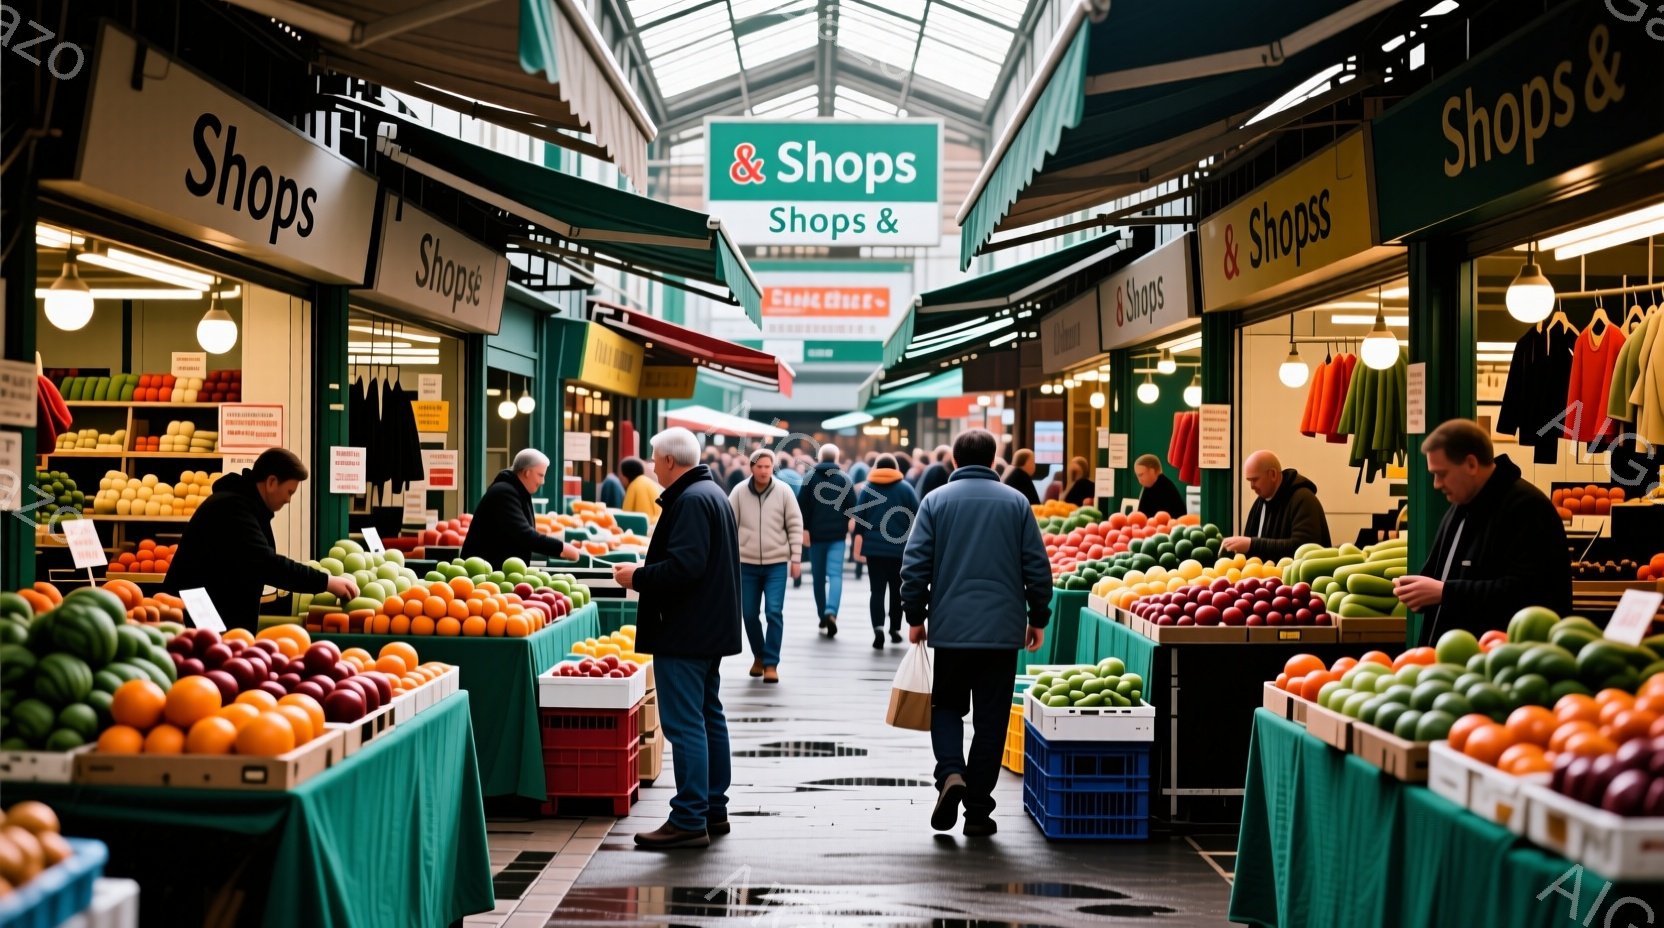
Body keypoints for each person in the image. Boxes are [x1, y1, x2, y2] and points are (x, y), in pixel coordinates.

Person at [903, 429, 1050, 838]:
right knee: (991, 721)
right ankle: (979, 811)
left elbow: (913, 566)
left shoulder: (935, 502)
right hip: (1002, 632)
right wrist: (1038, 616)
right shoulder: (1017, 503)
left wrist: (915, 615)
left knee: (947, 707)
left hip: (950, 629)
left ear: (954, 460)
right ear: (993, 459)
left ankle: (951, 772)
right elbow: (1037, 567)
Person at [613, 427, 741, 849]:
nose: (652, 465)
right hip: (707, 629)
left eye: (654, 458)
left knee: (685, 724)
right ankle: (711, 808)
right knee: (707, 718)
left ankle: (688, 818)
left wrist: (638, 577)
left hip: (684, 630)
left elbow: (686, 566)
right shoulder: (711, 493)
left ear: (669, 460)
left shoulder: (690, 500)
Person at [1395, 419, 1572, 643]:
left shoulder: (1527, 508)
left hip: (1504, 663)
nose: (1436, 484)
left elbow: (1531, 592)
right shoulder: (1460, 507)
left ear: (1471, 464)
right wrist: (1418, 592)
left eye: (1441, 474)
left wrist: (1445, 593)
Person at [164, 448, 360, 632]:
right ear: (272, 482)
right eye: (289, 491)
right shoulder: (232, 508)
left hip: (209, 614)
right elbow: (265, 563)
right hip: (198, 617)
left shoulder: (244, 505)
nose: (288, 499)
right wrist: (325, 582)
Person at [728, 448, 803, 683]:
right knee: (749, 614)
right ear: (751, 467)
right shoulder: (739, 492)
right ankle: (759, 655)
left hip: (776, 564)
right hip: (746, 563)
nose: (763, 471)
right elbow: (729, 526)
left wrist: (796, 558)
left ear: (773, 468)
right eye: (759, 466)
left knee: (773, 612)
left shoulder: (784, 491)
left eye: (767, 467)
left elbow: (794, 524)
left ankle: (771, 663)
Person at [460, 449, 583, 568]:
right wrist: (561, 548)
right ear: (527, 472)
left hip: (495, 574)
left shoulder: (515, 491)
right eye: (540, 475)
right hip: (483, 575)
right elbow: (524, 534)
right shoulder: (504, 493)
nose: (543, 481)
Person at [851, 453, 919, 649]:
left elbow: (860, 518)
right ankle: (895, 629)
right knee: (897, 590)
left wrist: (859, 538)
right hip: (899, 549)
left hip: (874, 550)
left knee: (877, 590)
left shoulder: (868, 488)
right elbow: (917, 515)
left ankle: (878, 628)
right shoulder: (906, 488)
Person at [1221, 451, 1331, 560]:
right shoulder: (1259, 503)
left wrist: (1252, 545)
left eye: (1255, 480)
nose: (1252, 486)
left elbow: (1304, 548)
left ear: (1273, 474)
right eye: (1249, 481)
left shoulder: (1304, 499)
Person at [799, 444, 855, 636]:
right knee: (835, 575)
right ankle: (832, 611)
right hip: (837, 536)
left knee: (818, 578)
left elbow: (802, 507)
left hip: (816, 536)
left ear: (820, 458)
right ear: (837, 458)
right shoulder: (844, 479)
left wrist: (804, 529)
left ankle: (822, 614)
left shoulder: (809, 479)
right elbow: (852, 508)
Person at [620, 456, 663, 525]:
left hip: (644, 528)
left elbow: (625, 514)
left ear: (626, 474)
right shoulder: (650, 483)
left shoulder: (633, 486)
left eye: (621, 474)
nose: (620, 478)